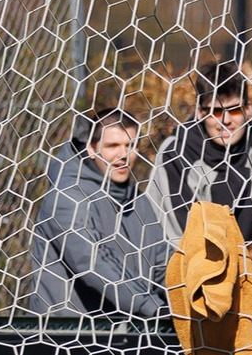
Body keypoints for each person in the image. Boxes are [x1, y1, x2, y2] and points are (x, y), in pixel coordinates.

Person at [144, 60, 252, 296]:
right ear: (199, 112)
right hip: (184, 287)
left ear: (248, 108)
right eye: (215, 111)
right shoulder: (176, 153)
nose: (225, 121)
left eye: (234, 110)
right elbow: (177, 240)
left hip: (244, 281)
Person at [30, 109, 169, 318]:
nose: (123, 155)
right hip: (69, 338)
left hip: (128, 334)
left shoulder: (139, 201)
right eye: (112, 146)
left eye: (130, 145)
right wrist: (151, 306)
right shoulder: (66, 197)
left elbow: (162, 263)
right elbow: (93, 262)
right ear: (92, 149)